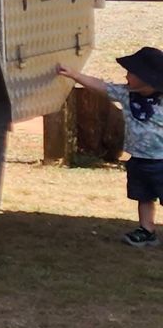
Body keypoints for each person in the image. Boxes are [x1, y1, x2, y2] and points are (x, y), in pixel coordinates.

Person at [59, 46, 163, 246]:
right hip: (139, 160)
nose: (126, 76)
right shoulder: (126, 94)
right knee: (143, 196)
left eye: (131, 73)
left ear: (148, 79)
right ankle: (146, 229)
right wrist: (74, 75)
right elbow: (101, 86)